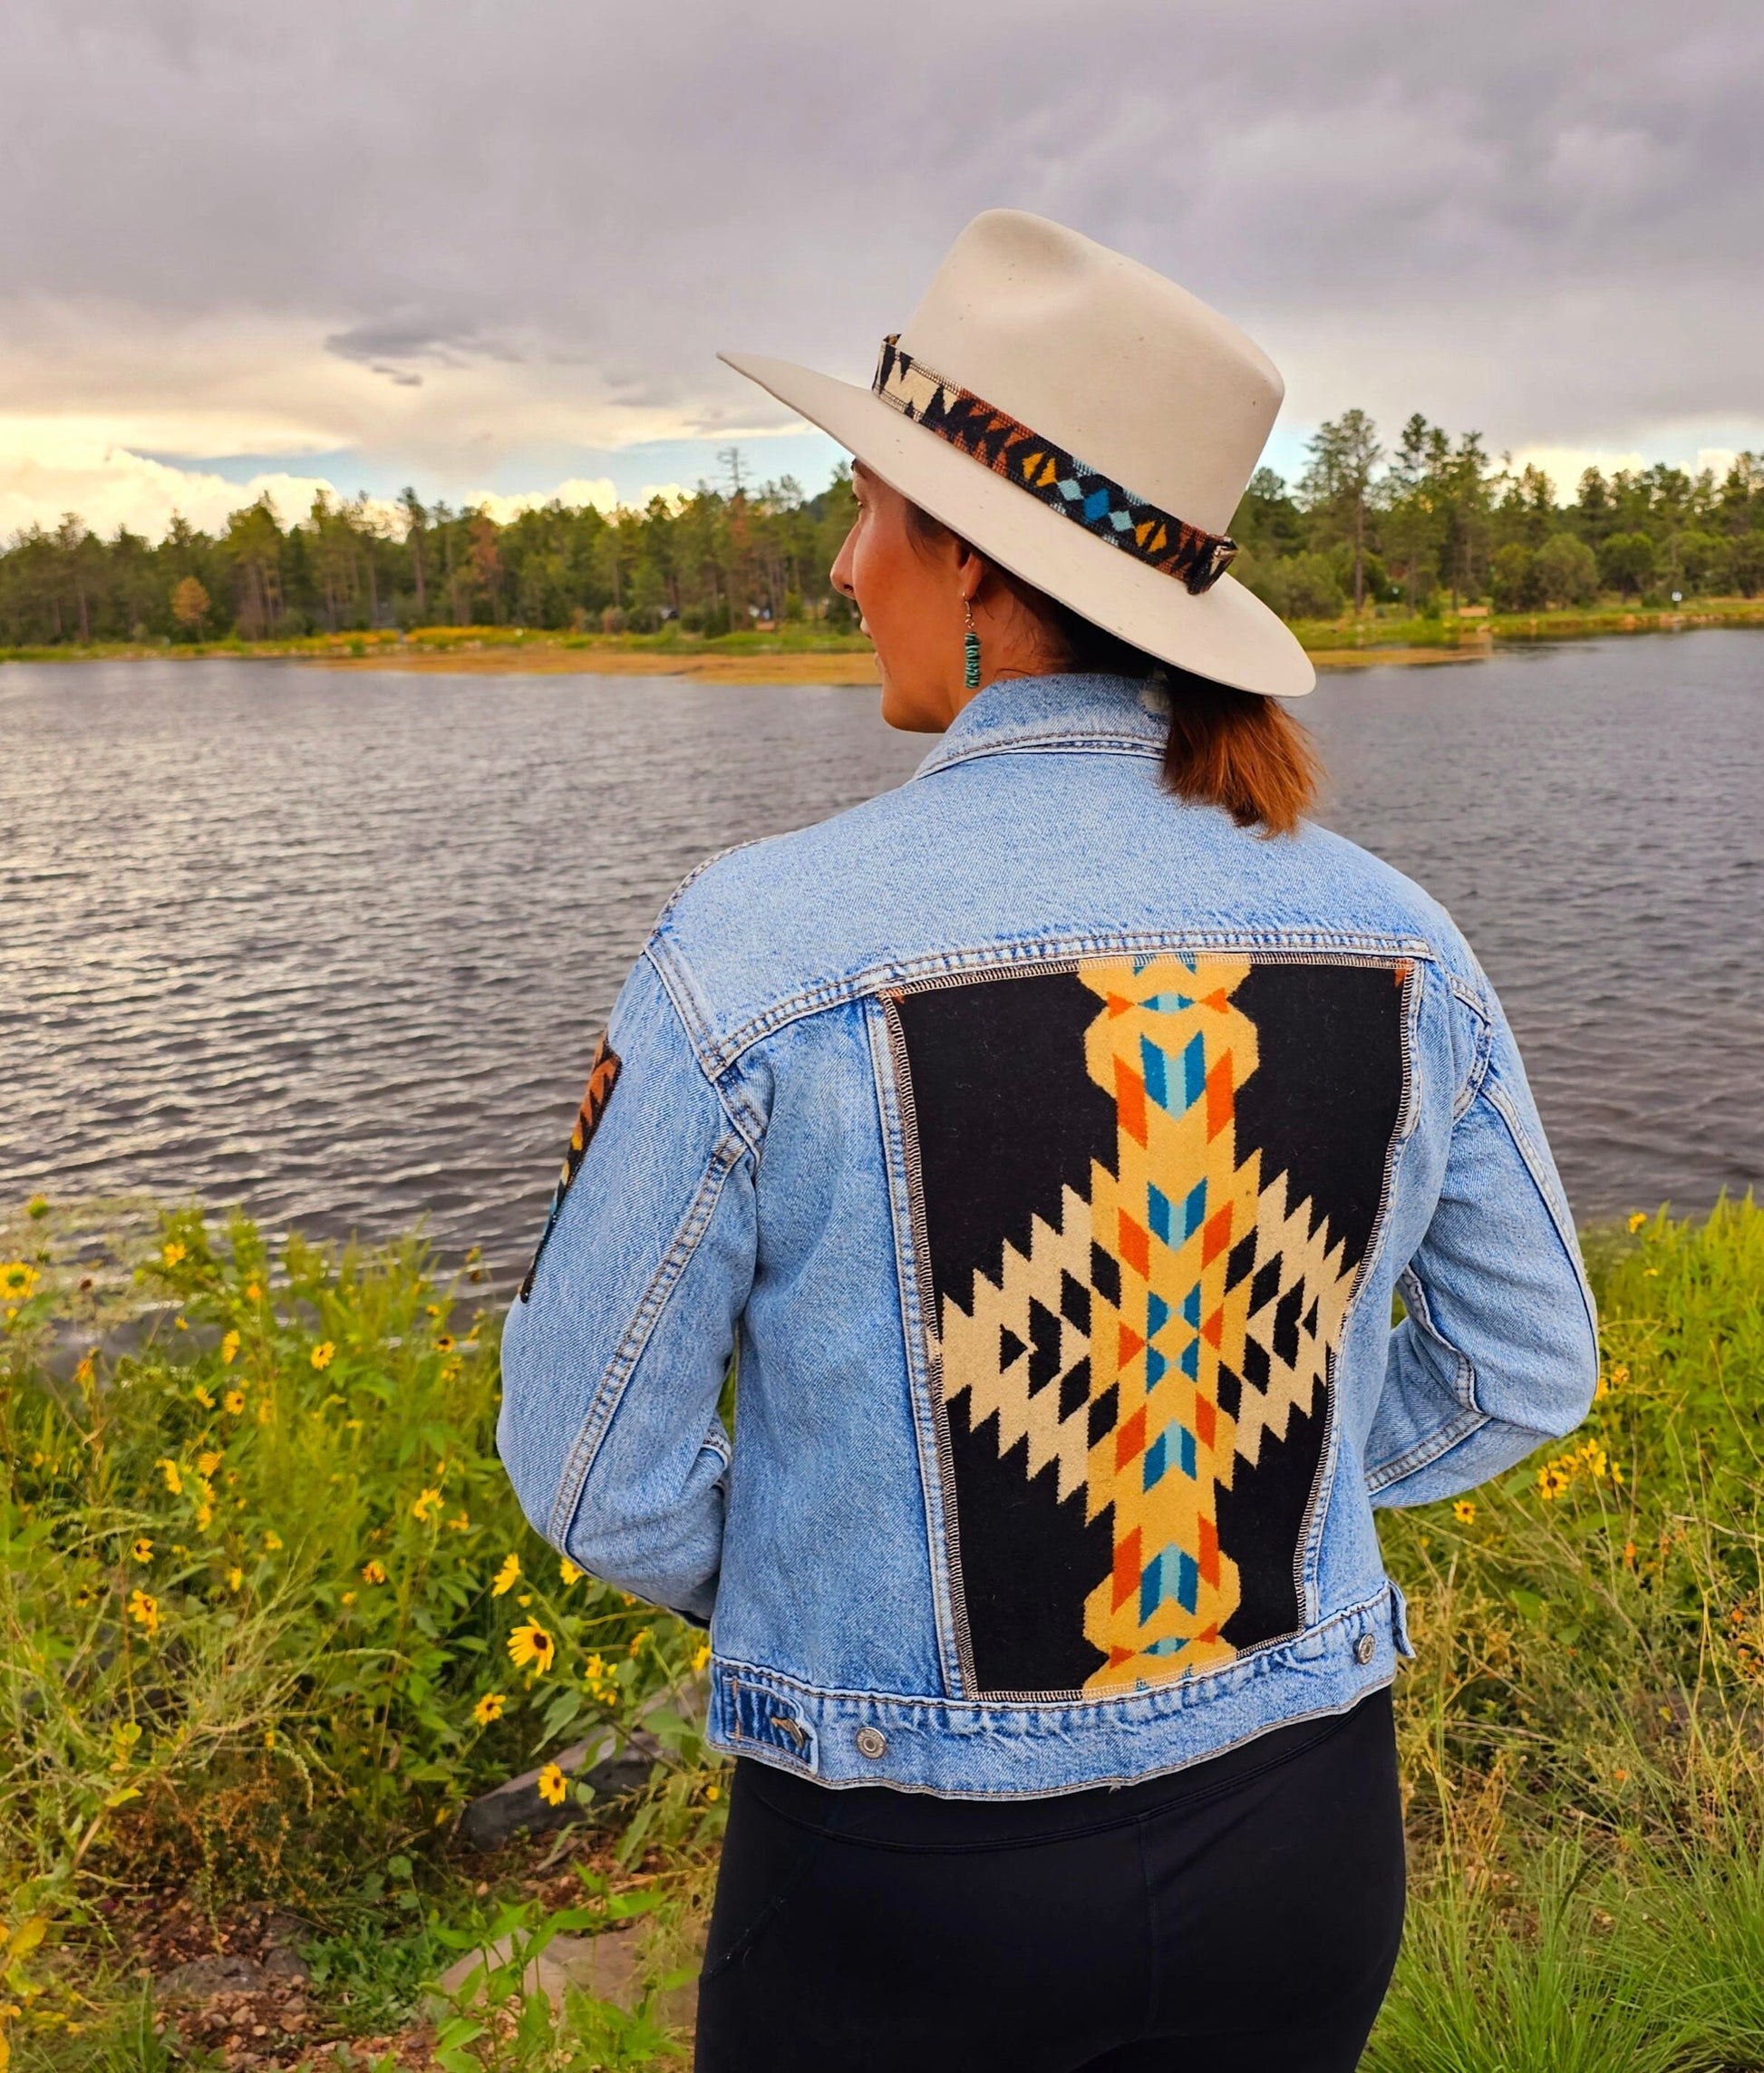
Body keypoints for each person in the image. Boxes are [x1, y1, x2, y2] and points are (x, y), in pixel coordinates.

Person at [499, 211, 1598, 2071]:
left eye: (870, 507)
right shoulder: (1402, 938)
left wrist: (865, 1553)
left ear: (981, 571)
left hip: (901, 1898)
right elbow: (1520, 1369)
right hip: (1303, 1851)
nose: (846, 565)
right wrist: (1245, 1487)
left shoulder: (757, 948)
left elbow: (586, 1466)